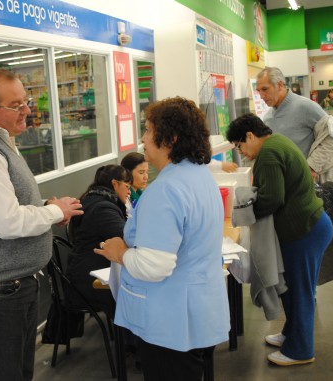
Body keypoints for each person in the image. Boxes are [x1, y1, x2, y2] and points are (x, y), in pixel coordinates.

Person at [0, 68, 83, 381]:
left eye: (26, 101)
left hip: (14, 283)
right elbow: (7, 222)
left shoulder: (0, 141)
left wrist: (47, 207)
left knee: (19, 373)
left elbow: (9, 206)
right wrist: (53, 212)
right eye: (16, 105)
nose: (27, 110)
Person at [95, 97, 230, 381]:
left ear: (170, 138)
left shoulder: (166, 190)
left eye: (147, 129)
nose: (142, 138)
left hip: (171, 324)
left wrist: (119, 252)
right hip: (198, 312)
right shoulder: (199, 176)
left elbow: (154, 266)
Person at [226, 113, 333, 366]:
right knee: (292, 288)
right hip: (309, 228)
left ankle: (300, 350)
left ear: (250, 136)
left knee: (299, 292)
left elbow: (272, 199)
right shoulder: (277, 142)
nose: (241, 153)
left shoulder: (269, 154)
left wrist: (244, 214)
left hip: (305, 232)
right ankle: (291, 335)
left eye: (240, 146)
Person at [67, 164, 130, 318]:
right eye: (127, 186)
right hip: (89, 281)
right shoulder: (103, 209)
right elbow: (127, 238)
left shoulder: (91, 198)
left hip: (83, 271)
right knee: (134, 293)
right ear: (115, 184)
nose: (130, 191)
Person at [256, 67, 326, 158]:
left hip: (305, 171)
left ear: (280, 85)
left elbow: (332, 139)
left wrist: (312, 167)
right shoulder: (267, 118)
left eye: (265, 89)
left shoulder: (306, 107)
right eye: (258, 91)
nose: (261, 96)